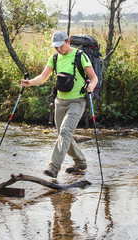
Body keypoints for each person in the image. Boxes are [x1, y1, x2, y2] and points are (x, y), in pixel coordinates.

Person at [21, 30, 98, 178]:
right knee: (64, 135)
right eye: (55, 46)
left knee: (64, 133)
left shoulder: (80, 56)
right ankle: (80, 162)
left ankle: (53, 167)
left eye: (60, 45)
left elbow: (94, 78)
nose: (58, 49)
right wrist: (29, 83)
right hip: (60, 102)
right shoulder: (55, 57)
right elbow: (43, 77)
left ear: (67, 42)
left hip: (77, 101)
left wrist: (91, 86)